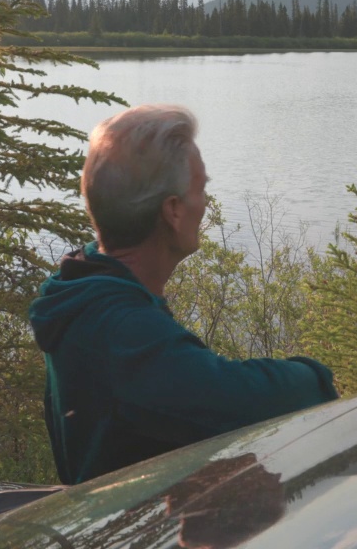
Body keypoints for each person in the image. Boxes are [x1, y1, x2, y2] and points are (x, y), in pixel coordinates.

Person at [29, 104, 339, 485]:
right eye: (201, 189)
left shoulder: (85, 285)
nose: (205, 203)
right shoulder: (121, 330)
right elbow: (235, 400)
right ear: (173, 211)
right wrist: (316, 377)